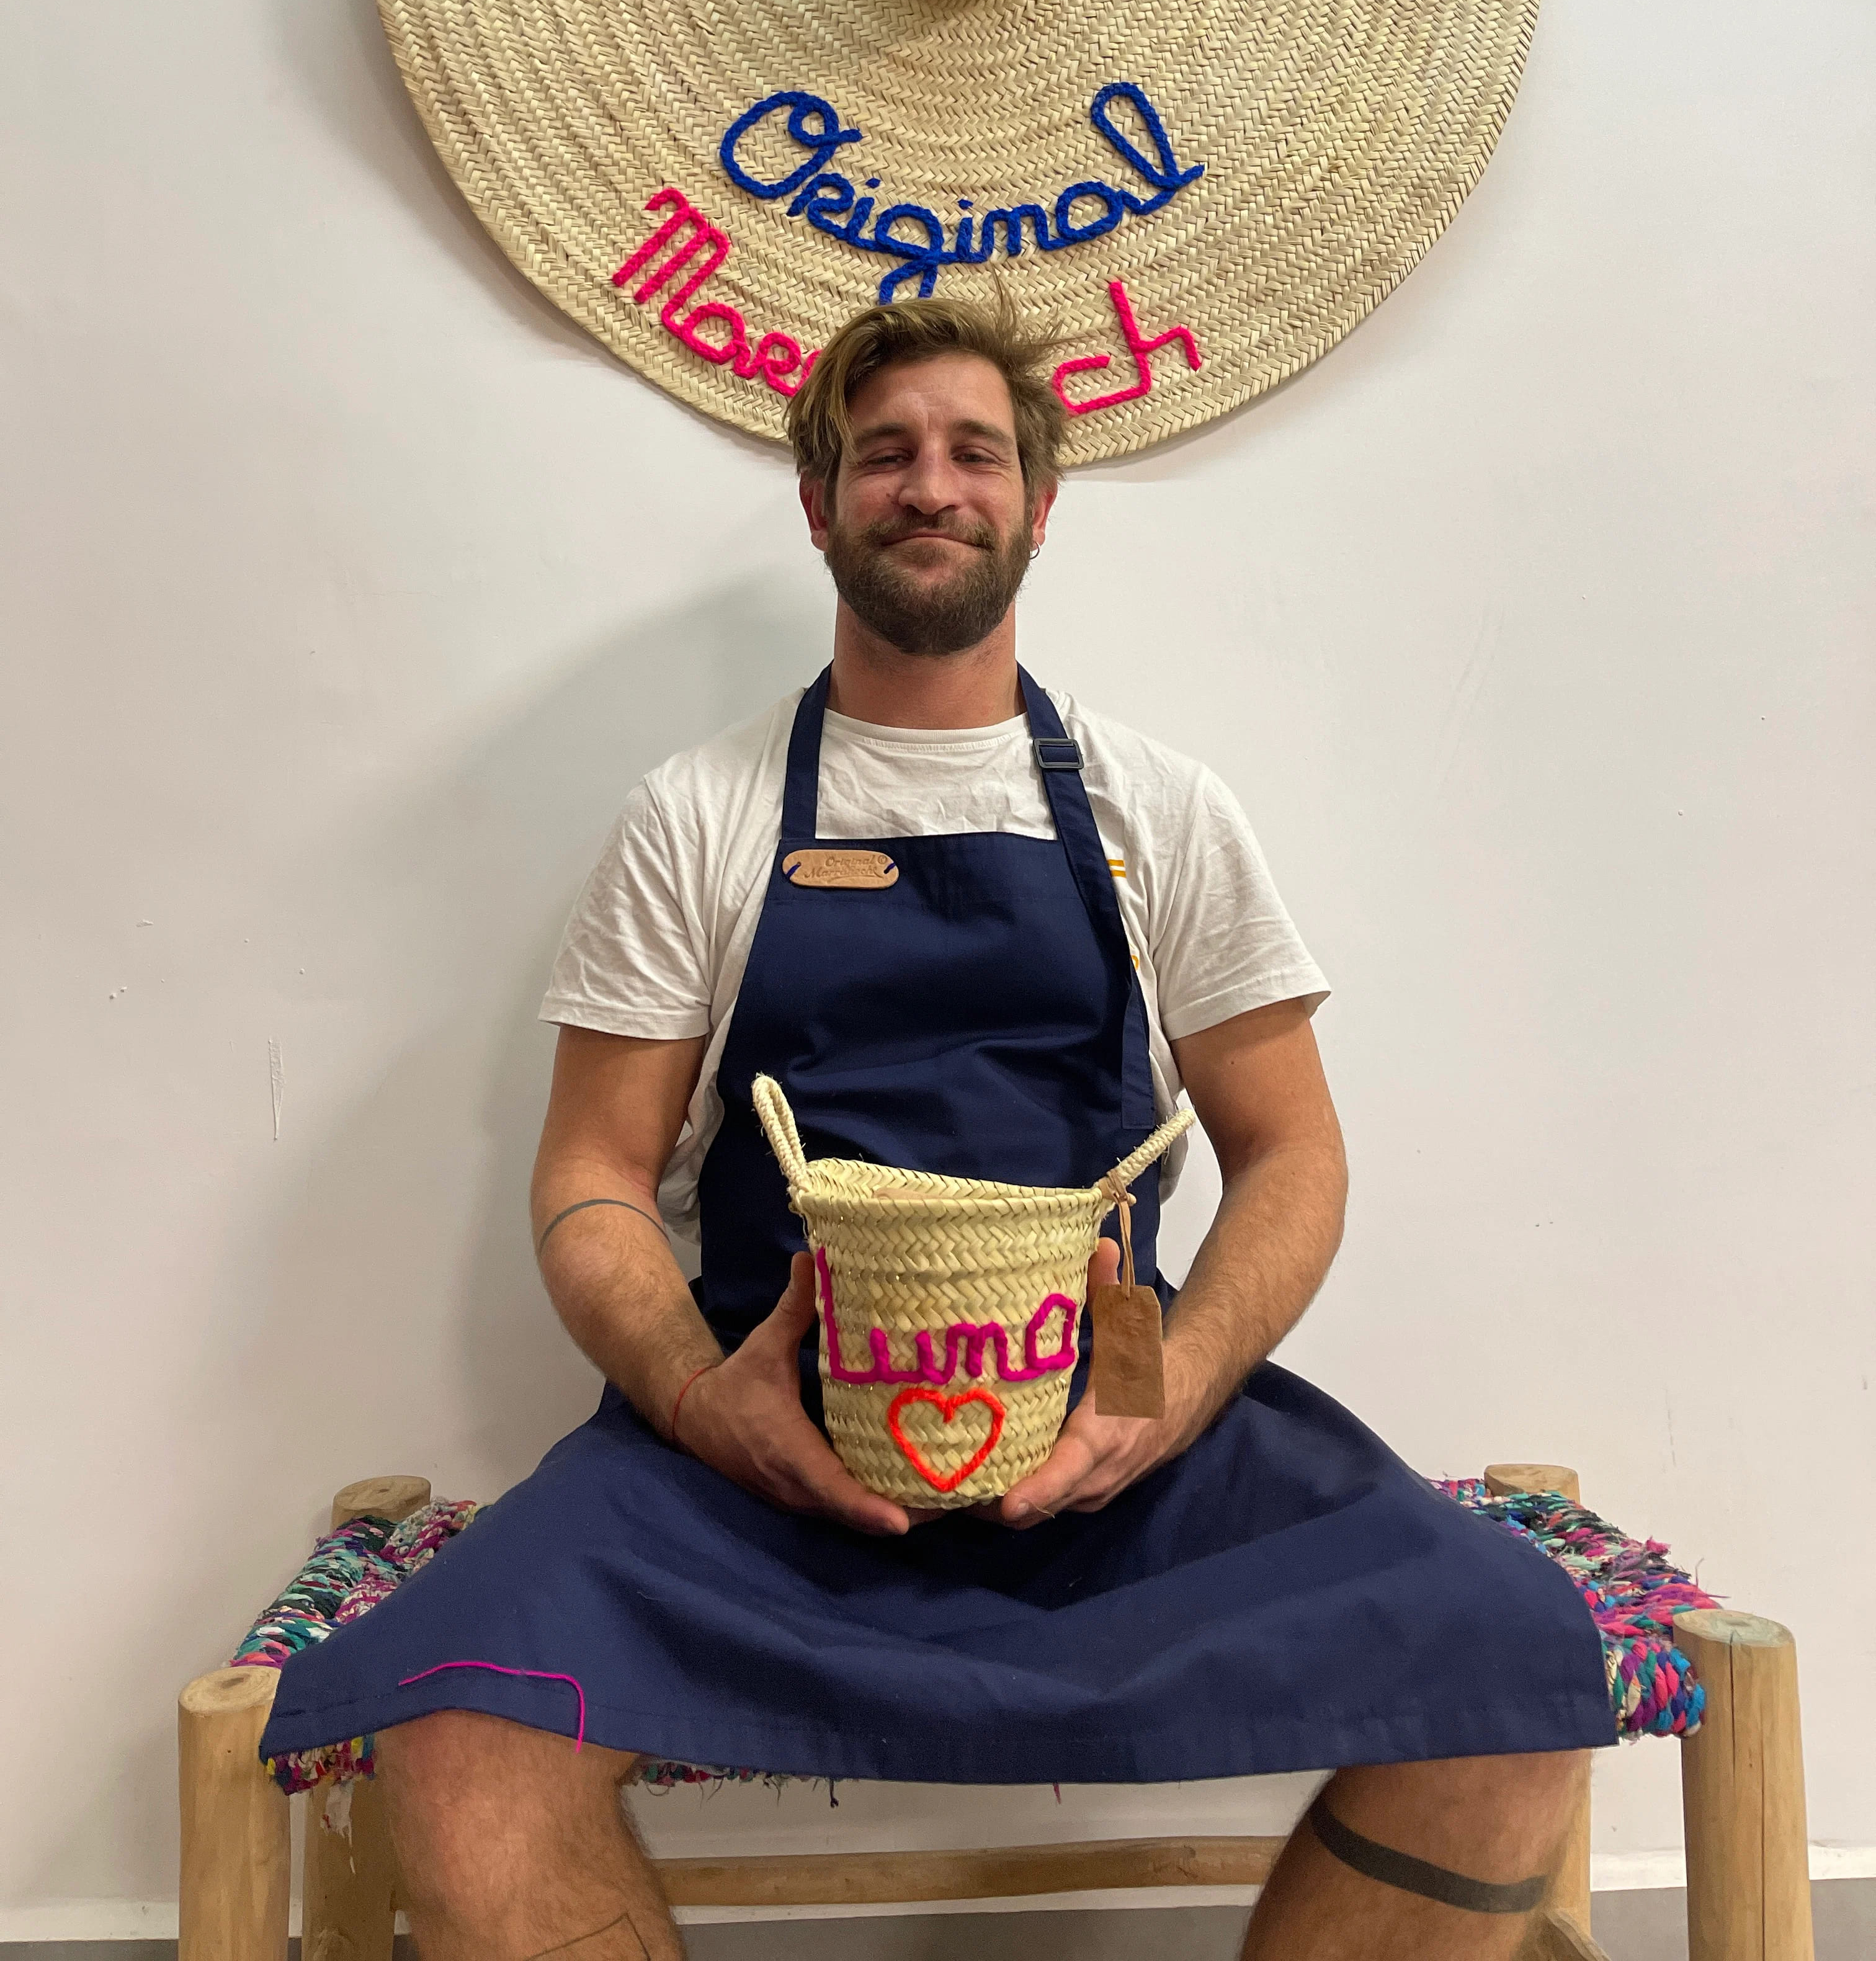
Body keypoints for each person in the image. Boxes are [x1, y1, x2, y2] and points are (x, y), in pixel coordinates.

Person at [262, 294, 1614, 1957]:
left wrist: (1174, 1393)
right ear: (819, 504)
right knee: (462, 1725)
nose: (931, 483)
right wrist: (696, 1400)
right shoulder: (699, 815)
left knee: (1513, 1669)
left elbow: (1295, 1154)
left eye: (976, 451)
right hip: (756, 1459)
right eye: (884, 452)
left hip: (1118, 1444)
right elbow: (592, 1173)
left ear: (1039, 504)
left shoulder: (1160, 809)